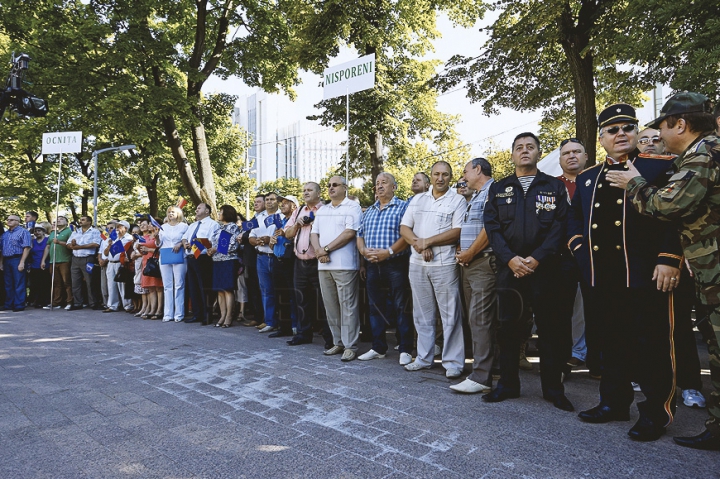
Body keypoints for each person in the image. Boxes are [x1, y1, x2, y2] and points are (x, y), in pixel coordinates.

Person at [605, 92, 720, 450]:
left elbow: (669, 205)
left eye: (662, 127)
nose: (657, 135)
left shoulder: (703, 155)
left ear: (680, 125)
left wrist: (633, 183)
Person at [569, 104, 681, 441]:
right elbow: (574, 219)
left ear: (636, 133)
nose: (621, 134)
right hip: (602, 277)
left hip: (645, 274)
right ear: (601, 138)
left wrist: (669, 257)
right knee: (610, 342)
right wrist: (578, 249)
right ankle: (614, 403)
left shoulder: (660, 168)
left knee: (651, 345)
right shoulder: (588, 177)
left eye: (627, 128)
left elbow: (678, 214)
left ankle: (656, 412)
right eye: (612, 130)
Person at [484, 133, 573, 412]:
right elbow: (492, 228)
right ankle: (508, 385)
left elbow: (560, 226)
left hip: (546, 271)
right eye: (519, 148)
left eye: (530, 147)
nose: (525, 151)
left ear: (538, 153)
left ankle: (553, 389)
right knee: (508, 329)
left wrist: (536, 259)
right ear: (512, 155)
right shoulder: (499, 188)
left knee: (550, 331)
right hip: (510, 272)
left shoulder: (553, 187)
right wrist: (510, 260)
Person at [637, 125, 706, 409]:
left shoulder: (680, 169)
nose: (651, 143)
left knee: (677, 328)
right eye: (644, 140)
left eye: (656, 138)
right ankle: (652, 380)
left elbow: (680, 216)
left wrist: (670, 257)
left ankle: (690, 383)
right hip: (641, 265)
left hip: (673, 262)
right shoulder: (631, 173)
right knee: (646, 328)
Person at [400, 161, 466, 378]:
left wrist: (427, 242)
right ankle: (423, 358)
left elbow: (457, 232)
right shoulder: (418, 199)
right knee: (422, 314)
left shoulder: (457, 200)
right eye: (436, 174)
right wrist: (420, 244)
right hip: (417, 264)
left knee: (450, 314)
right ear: (431, 176)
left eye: (445, 175)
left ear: (450, 177)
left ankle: (453, 363)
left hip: (444, 265)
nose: (440, 178)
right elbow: (404, 228)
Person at [450, 158, 497, 393]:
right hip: (470, 262)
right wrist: (463, 249)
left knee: (480, 320)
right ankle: (485, 370)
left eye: (465, 170)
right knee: (476, 320)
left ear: (478, 170)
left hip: (482, 262)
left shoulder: (492, 191)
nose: (463, 176)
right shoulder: (476, 195)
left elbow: (490, 228)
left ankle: (481, 378)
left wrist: (470, 252)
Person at [357, 173, 412, 364]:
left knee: (400, 306)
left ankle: (405, 348)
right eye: (377, 183)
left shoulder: (403, 207)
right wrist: (363, 251)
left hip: (395, 264)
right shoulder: (369, 210)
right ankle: (378, 347)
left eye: (384, 183)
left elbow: (407, 236)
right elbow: (359, 234)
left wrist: (388, 252)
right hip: (373, 265)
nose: (379, 186)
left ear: (394, 187)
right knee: (375, 308)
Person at [556, 139, 597, 376]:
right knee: (566, 310)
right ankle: (568, 356)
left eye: (576, 152)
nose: (571, 156)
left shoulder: (597, 180)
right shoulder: (552, 185)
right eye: (566, 153)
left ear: (586, 155)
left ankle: (595, 358)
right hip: (562, 257)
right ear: (560, 159)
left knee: (593, 309)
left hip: (593, 256)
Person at [311, 176, 363, 361]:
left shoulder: (352, 207)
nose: (331, 188)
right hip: (323, 264)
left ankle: (350, 346)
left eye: (335, 185)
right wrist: (318, 252)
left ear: (345, 187)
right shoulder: (323, 210)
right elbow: (313, 233)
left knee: (348, 306)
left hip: (345, 264)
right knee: (330, 306)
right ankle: (338, 342)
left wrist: (325, 249)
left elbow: (349, 233)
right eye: (329, 186)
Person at [282, 182, 334, 348]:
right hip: (300, 262)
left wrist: (313, 223)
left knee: (324, 301)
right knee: (301, 299)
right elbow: (287, 234)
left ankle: (330, 337)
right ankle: (304, 334)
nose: (305, 193)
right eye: (304, 190)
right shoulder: (298, 210)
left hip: (318, 261)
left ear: (319, 193)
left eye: (309, 190)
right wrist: (298, 223)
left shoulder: (326, 209)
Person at [182, 203, 219, 324]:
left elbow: (213, 241)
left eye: (199, 208)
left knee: (205, 287)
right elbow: (184, 237)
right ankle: (197, 314)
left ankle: (207, 315)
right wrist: (185, 243)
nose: (196, 210)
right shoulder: (192, 225)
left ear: (207, 211)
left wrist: (197, 244)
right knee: (193, 287)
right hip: (191, 257)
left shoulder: (213, 224)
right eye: (196, 208)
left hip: (203, 258)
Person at [269, 194, 300, 337]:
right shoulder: (280, 221)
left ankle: (296, 326)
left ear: (294, 206)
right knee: (280, 294)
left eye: (286, 203)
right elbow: (273, 242)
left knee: (294, 295)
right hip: (277, 259)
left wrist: (287, 234)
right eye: (282, 203)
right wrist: (271, 242)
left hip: (291, 261)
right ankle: (284, 326)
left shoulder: (296, 221)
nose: (282, 205)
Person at [250, 192, 280, 333]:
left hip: (277, 257)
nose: (269, 202)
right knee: (266, 291)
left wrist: (270, 239)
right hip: (261, 257)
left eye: (272, 199)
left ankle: (288, 322)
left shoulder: (280, 215)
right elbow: (251, 237)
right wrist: (258, 241)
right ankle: (270, 321)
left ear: (277, 201)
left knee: (282, 291)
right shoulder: (258, 217)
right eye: (267, 199)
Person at [208, 205, 241, 328]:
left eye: (221, 212)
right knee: (219, 289)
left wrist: (216, 249)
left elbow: (233, 245)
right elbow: (214, 242)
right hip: (217, 261)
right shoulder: (218, 228)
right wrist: (210, 249)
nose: (219, 214)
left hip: (228, 260)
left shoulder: (233, 227)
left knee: (227, 288)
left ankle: (229, 316)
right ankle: (222, 315)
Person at [158, 206, 189, 322]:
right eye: (169, 212)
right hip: (165, 255)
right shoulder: (163, 227)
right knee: (167, 285)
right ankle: (168, 313)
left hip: (179, 254)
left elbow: (186, 239)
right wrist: (156, 237)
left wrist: (180, 244)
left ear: (178, 214)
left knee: (179, 285)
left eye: (173, 212)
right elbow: (159, 243)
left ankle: (179, 313)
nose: (170, 214)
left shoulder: (184, 226)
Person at [239, 194, 265, 327]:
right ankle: (257, 316)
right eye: (254, 202)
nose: (255, 204)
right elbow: (245, 231)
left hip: (258, 257)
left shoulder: (265, 218)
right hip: (249, 259)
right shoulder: (254, 218)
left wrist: (242, 236)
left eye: (259, 202)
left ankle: (262, 317)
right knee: (253, 289)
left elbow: (247, 234)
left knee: (260, 289)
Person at [67, 215, 102, 310]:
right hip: (75, 258)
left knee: (90, 281)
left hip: (87, 258)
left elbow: (96, 244)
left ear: (89, 222)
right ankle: (78, 303)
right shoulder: (76, 232)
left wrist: (80, 246)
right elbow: (68, 243)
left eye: (83, 220)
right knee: (75, 282)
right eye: (80, 220)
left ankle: (93, 303)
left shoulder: (95, 231)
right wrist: (72, 245)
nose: (80, 221)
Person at [0, 214, 32, 311]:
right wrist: (1, 263)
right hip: (6, 259)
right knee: (8, 283)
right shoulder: (5, 234)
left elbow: (27, 247)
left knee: (19, 282)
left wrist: (22, 262)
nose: (9, 221)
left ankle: (19, 304)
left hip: (17, 259)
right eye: (8, 219)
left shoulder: (23, 232)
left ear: (18, 222)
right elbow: (1, 249)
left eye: (12, 220)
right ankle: (8, 304)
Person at [41, 215, 73, 310]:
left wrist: (59, 242)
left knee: (66, 282)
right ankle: (56, 302)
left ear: (66, 222)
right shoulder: (52, 233)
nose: (58, 220)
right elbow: (47, 246)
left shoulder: (69, 231)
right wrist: (43, 260)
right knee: (56, 283)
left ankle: (70, 301)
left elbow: (70, 245)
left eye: (61, 219)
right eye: (57, 219)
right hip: (53, 261)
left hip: (64, 260)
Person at [101, 220, 133, 313]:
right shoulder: (113, 238)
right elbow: (106, 253)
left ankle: (127, 305)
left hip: (120, 262)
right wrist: (109, 245)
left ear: (125, 228)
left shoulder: (128, 238)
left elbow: (121, 249)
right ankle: (112, 305)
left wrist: (113, 246)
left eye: (120, 227)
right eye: (117, 227)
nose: (117, 229)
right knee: (111, 285)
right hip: (110, 263)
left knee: (122, 285)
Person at [138, 223, 163, 319]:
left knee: (158, 287)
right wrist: (140, 249)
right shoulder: (146, 237)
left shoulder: (159, 235)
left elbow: (160, 249)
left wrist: (148, 249)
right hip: (146, 262)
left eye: (150, 224)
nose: (148, 225)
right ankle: (152, 309)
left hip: (155, 262)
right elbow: (143, 250)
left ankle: (159, 309)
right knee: (151, 288)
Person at [27, 223, 50, 308]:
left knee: (44, 284)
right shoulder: (32, 242)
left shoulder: (47, 240)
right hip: (34, 265)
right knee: (35, 284)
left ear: (43, 232)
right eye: (35, 231)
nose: (37, 232)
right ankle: (35, 300)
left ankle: (44, 301)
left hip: (45, 265)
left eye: (39, 230)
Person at [97, 220, 117, 309]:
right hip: (103, 263)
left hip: (111, 262)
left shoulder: (118, 237)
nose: (109, 230)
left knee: (113, 286)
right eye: (107, 228)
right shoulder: (105, 237)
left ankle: (115, 304)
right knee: (104, 286)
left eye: (111, 228)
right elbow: (100, 251)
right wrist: (100, 260)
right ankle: (106, 303)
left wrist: (107, 260)